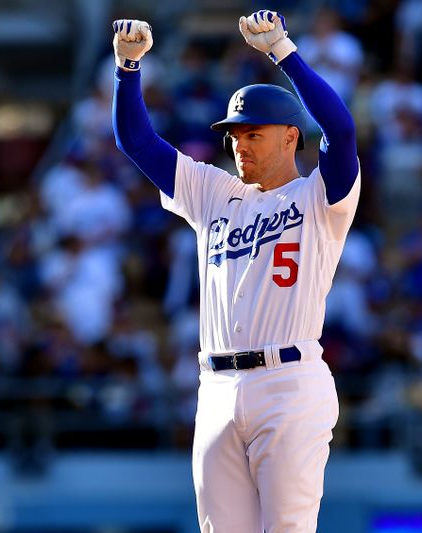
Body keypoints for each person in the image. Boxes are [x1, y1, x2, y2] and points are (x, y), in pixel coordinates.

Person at [112, 9, 360, 533]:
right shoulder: (215, 193)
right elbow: (137, 142)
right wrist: (128, 70)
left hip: (289, 382)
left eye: (253, 134)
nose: (238, 144)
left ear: (291, 137)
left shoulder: (320, 196)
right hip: (217, 386)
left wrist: (283, 52)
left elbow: (339, 128)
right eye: (234, 135)